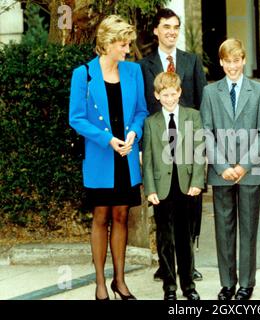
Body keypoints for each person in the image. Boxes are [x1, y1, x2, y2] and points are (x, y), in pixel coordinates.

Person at [69, 15, 148, 300]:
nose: (128, 50)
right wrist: (108, 140)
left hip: (126, 156)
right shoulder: (84, 74)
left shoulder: (133, 72)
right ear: (108, 43)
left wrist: (133, 135)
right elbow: (76, 118)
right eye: (124, 44)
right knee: (101, 216)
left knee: (122, 214)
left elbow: (140, 111)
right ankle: (101, 284)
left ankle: (120, 281)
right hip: (100, 157)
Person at [200, 38, 260, 300]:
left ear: (244, 60)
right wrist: (221, 166)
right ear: (221, 62)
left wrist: (243, 165)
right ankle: (227, 283)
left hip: (250, 170)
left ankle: (246, 283)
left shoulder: (259, 91)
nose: (232, 66)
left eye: (237, 61)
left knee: (248, 227)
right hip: (221, 172)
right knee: (224, 227)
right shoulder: (210, 93)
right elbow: (206, 132)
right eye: (227, 61)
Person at [138, 8, 207, 282]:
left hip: (188, 145)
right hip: (159, 145)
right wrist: (144, 147)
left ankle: (189, 264)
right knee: (164, 210)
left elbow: (202, 104)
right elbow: (142, 108)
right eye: (166, 26)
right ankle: (165, 264)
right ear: (156, 30)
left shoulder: (192, 62)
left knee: (190, 209)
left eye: (176, 26)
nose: (172, 31)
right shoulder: (144, 66)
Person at [142, 72, 205, 300]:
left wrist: (198, 181)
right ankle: (169, 287)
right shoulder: (151, 123)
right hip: (162, 188)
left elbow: (199, 151)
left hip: (187, 185)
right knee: (164, 239)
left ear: (180, 92)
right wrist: (150, 189)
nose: (170, 99)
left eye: (173, 94)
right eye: (164, 95)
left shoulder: (193, 117)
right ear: (157, 96)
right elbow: (147, 159)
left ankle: (188, 286)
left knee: (184, 237)